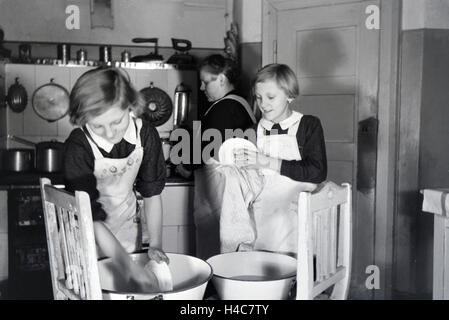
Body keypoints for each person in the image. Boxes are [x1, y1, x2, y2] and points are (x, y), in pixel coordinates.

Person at [63, 67, 168, 292]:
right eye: (98, 125)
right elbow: (88, 216)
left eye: (117, 121)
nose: (110, 133)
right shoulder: (79, 145)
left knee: (128, 293)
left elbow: (152, 195)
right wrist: (128, 267)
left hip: (127, 226)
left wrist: (156, 244)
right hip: (85, 233)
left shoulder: (145, 134)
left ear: (129, 106)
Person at [219, 63, 327, 255]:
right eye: (259, 98)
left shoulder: (308, 125)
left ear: (290, 95)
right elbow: (247, 183)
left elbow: (317, 172)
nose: (263, 104)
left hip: (298, 219)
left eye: (271, 97)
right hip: (262, 223)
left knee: (297, 274)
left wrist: (267, 162)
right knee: (265, 276)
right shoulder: (252, 132)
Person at [191, 54, 257, 259]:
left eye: (205, 82)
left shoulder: (224, 109)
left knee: (215, 251)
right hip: (229, 190)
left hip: (220, 191)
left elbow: (206, 153)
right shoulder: (240, 104)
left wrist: (187, 165)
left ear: (221, 78)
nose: (202, 88)